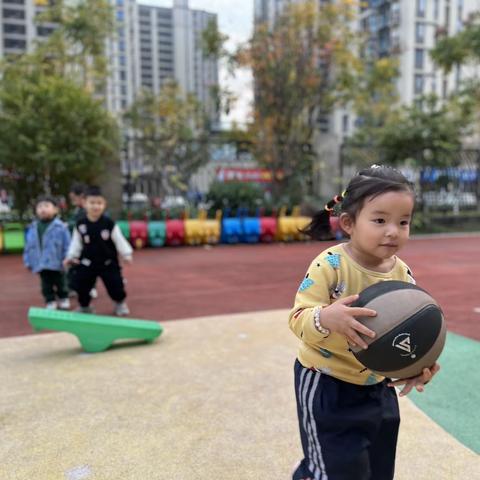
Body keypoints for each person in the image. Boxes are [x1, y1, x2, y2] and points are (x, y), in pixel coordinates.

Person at [289, 165, 440, 480]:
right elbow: (298, 318)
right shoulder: (330, 265)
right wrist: (327, 317)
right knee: (334, 469)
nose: (393, 231)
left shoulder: (402, 273)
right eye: (380, 220)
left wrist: (419, 364)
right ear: (349, 223)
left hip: (378, 388)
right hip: (327, 385)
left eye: (403, 222)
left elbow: (409, 329)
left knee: (377, 469)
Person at [64, 186, 133, 316]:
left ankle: (120, 303)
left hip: (108, 262)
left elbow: (119, 239)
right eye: (92, 203)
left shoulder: (109, 224)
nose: (96, 206)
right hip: (87, 262)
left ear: (104, 205)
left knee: (115, 285)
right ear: (84, 204)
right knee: (81, 284)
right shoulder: (80, 224)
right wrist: (71, 256)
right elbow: (76, 243)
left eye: (99, 203)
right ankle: (85, 306)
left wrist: (126, 254)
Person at [24, 196, 71, 310]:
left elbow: (67, 244)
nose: (43, 209)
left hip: (58, 261)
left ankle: (63, 297)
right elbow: (28, 246)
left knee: (61, 281)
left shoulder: (61, 227)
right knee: (46, 283)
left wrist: (68, 257)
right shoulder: (33, 227)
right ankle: (50, 299)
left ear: (55, 210)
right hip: (41, 262)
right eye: (40, 207)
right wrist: (27, 260)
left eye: (46, 206)